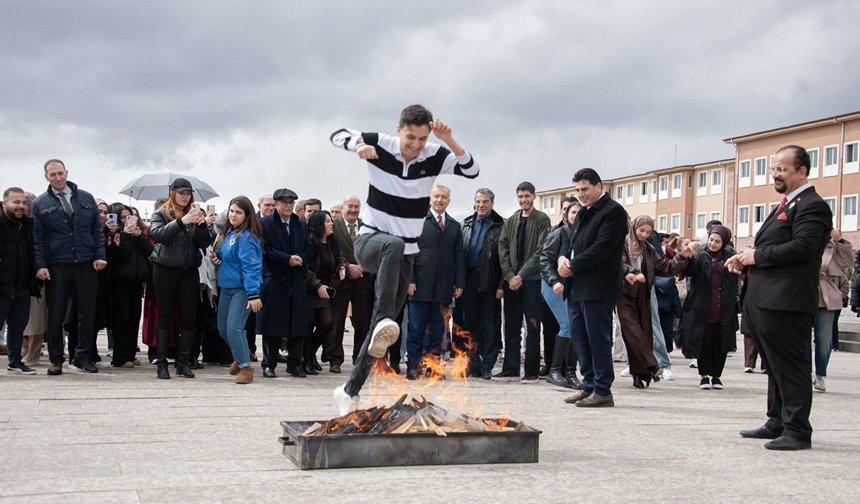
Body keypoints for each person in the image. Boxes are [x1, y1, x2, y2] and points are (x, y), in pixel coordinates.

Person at [329, 104, 479, 415]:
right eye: (411, 137)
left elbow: (471, 169)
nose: (416, 145)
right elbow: (337, 133)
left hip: (405, 255)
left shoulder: (433, 155)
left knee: (380, 333)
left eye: (422, 139)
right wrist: (358, 145)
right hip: (371, 242)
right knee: (393, 249)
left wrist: (448, 139)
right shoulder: (382, 143)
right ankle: (384, 317)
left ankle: (348, 390)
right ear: (399, 129)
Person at [728, 145, 832, 451]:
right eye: (773, 169)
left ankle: (798, 429)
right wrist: (745, 260)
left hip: (786, 302)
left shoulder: (812, 205)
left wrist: (756, 256)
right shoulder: (786, 204)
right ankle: (777, 420)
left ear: (802, 171)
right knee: (773, 365)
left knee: (791, 365)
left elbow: (802, 247)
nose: (775, 174)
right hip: (765, 300)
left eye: (782, 169)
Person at [558, 168, 628, 408]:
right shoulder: (583, 213)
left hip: (598, 287)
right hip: (577, 286)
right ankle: (588, 385)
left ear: (599, 186)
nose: (581, 194)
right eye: (577, 190)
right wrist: (563, 259)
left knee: (598, 338)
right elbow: (573, 244)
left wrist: (573, 266)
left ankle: (602, 389)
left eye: (585, 189)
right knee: (580, 337)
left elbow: (602, 249)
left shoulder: (614, 212)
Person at [32, 159, 107, 375]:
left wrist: (100, 255)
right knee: (56, 313)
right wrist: (40, 265)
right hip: (58, 263)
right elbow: (37, 238)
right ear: (46, 177)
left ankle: (83, 356)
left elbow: (97, 230)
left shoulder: (85, 197)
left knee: (87, 311)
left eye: (60, 173)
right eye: (52, 175)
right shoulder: (40, 204)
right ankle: (56, 359)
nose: (57, 178)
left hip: (85, 262)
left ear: (67, 173)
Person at [617, 216, 695, 389]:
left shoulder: (649, 249)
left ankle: (640, 375)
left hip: (643, 295)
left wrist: (683, 256)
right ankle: (651, 364)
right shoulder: (622, 244)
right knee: (633, 331)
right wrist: (632, 272)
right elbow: (618, 264)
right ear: (634, 228)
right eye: (641, 230)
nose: (644, 234)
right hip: (624, 294)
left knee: (644, 332)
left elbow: (666, 267)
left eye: (648, 232)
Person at [149, 178, 213, 379]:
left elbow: (204, 243)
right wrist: (181, 222)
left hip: (188, 271)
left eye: (188, 194)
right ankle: (161, 363)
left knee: (189, 317)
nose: (185, 197)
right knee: (165, 316)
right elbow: (157, 235)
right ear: (173, 193)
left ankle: (183, 361)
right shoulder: (161, 213)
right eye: (181, 193)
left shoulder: (195, 214)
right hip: (165, 269)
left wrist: (202, 226)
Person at [406, 185, 465, 380]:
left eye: (444, 197)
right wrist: (410, 279)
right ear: (430, 199)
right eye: (436, 196)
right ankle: (413, 366)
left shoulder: (455, 226)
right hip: (420, 286)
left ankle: (433, 367)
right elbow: (409, 253)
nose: (440, 200)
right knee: (416, 329)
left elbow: (459, 256)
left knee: (438, 330)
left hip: (443, 288)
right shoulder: (418, 222)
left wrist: (459, 283)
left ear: (449, 201)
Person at [496, 181, 552, 382]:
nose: (523, 200)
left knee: (533, 326)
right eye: (520, 196)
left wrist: (522, 275)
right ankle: (510, 368)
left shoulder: (542, 220)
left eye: (527, 196)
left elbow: (541, 250)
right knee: (510, 326)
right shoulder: (511, 221)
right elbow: (502, 248)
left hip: (532, 281)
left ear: (534, 196)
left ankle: (531, 371)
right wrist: (510, 276)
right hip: (512, 282)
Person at [257, 188, 314, 378]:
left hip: (296, 279)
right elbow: (264, 250)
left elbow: (309, 249)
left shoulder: (301, 225)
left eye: (291, 202)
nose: (288, 205)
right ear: (276, 203)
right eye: (285, 202)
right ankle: (269, 363)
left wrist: (301, 259)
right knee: (273, 324)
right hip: (275, 278)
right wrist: (286, 259)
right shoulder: (265, 223)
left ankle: (294, 363)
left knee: (298, 324)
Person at [211, 196, 264, 384]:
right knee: (223, 329)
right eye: (231, 211)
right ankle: (242, 353)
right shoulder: (230, 234)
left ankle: (246, 367)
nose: (233, 215)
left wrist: (253, 294)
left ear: (247, 215)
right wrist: (216, 258)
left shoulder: (247, 238)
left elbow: (252, 267)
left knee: (234, 328)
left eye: (238, 212)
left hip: (242, 289)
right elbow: (225, 257)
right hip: (227, 287)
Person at [681, 225, 738, 390]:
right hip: (703, 306)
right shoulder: (700, 256)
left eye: (717, 241)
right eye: (711, 240)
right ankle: (704, 376)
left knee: (720, 343)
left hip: (724, 306)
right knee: (704, 342)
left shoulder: (730, 256)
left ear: (724, 242)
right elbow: (690, 271)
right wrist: (688, 257)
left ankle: (717, 376)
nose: (713, 244)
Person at [456, 188, 504, 380]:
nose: (481, 205)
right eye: (478, 202)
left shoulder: (501, 225)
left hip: (491, 281)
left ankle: (487, 365)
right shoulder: (466, 224)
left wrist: (501, 284)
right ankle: (472, 363)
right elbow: (460, 255)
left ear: (492, 203)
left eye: (485, 202)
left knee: (490, 325)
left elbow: (504, 258)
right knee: (470, 325)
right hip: (469, 280)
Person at [327, 195, 374, 373]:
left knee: (363, 321)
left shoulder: (366, 227)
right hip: (341, 281)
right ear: (343, 207)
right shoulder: (334, 225)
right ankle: (335, 359)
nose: (353, 210)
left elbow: (373, 250)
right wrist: (347, 266)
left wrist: (362, 267)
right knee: (337, 321)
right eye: (350, 206)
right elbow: (332, 250)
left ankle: (359, 358)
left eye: (356, 206)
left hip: (363, 281)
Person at [539, 198, 581, 389]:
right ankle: (554, 371)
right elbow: (545, 259)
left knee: (573, 327)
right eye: (573, 212)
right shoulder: (558, 233)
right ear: (565, 214)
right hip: (553, 285)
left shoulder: (581, 235)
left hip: (572, 288)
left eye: (580, 212)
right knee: (567, 326)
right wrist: (554, 281)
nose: (576, 215)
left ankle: (570, 373)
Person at [106, 203, 152, 368]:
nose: (127, 220)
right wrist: (125, 236)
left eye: (130, 216)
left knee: (134, 318)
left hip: (137, 280)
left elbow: (149, 251)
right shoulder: (114, 234)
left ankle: (131, 353)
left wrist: (138, 235)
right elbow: (120, 256)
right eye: (124, 217)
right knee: (121, 319)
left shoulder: (138, 233)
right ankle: (120, 356)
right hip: (120, 281)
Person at [302, 210, 346, 376]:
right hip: (309, 289)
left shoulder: (332, 243)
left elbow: (340, 258)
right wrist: (317, 285)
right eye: (328, 221)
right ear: (319, 224)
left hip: (326, 291)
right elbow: (304, 268)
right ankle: (305, 359)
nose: (331, 224)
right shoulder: (309, 243)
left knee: (326, 323)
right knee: (309, 323)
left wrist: (342, 267)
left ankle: (310, 353)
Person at [1, 187, 37, 375]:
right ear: (4, 203)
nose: (21, 206)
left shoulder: (28, 225)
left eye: (23, 203)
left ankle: (15, 362)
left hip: (22, 285)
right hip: (2, 286)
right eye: (16, 202)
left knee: (18, 327)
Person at [811, 229, 853, 392]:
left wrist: (839, 240)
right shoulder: (801, 241)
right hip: (803, 292)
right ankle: (804, 372)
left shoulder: (832, 247)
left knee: (824, 339)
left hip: (827, 295)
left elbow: (847, 261)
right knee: (801, 337)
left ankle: (820, 375)